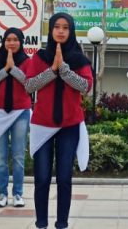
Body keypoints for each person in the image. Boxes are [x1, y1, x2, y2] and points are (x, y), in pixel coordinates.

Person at [25, 14, 92, 229]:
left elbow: (85, 87)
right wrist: (52, 70)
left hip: (69, 126)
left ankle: (62, 223)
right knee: (42, 177)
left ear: (71, 31)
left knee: (64, 178)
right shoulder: (40, 57)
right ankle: (41, 223)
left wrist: (63, 69)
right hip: (42, 124)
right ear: (51, 31)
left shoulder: (80, 59)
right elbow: (29, 85)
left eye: (65, 27)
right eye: (56, 27)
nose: (61, 31)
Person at [0, 27, 32, 208]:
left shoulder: (28, 62)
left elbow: (30, 85)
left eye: (15, 39)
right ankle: (2, 194)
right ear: (3, 42)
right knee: (0, 157)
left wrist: (14, 69)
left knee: (19, 156)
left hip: (20, 112)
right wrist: (5, 69)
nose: (11, 43)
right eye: (8, 39)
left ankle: (18, 194)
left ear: (21, 42)